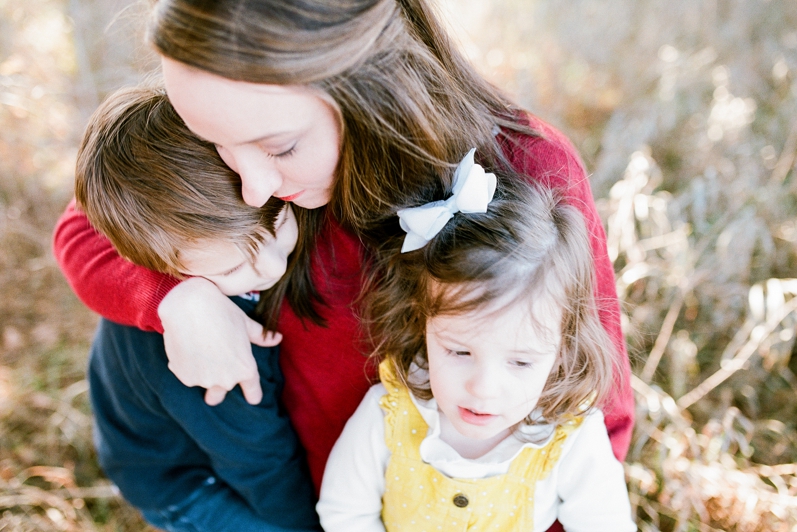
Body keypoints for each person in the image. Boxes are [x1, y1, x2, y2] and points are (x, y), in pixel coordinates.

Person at [53, 0, 634, 509]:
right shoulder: (241, 121)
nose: (252, 187)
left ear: (370, 86)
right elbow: (82, 229)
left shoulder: (526, 173)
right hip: (327, 504)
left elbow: (592, 406)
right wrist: (175, 298)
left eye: (281, 147)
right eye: (215, 146)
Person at [317, 152, 636, 531]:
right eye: (459, 351)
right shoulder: (389, 413)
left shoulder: (570, 438)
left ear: (562, 352)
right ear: (423, 325)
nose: (483, 388)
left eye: (520, 362)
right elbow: (345, 514)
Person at [72, 85, 321, 532]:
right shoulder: (198, 352)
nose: (272, 267)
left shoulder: (214, 222)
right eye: (233, 266)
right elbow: (258, 462)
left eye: (279, 225)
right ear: (161, 266)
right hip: (185, 483)